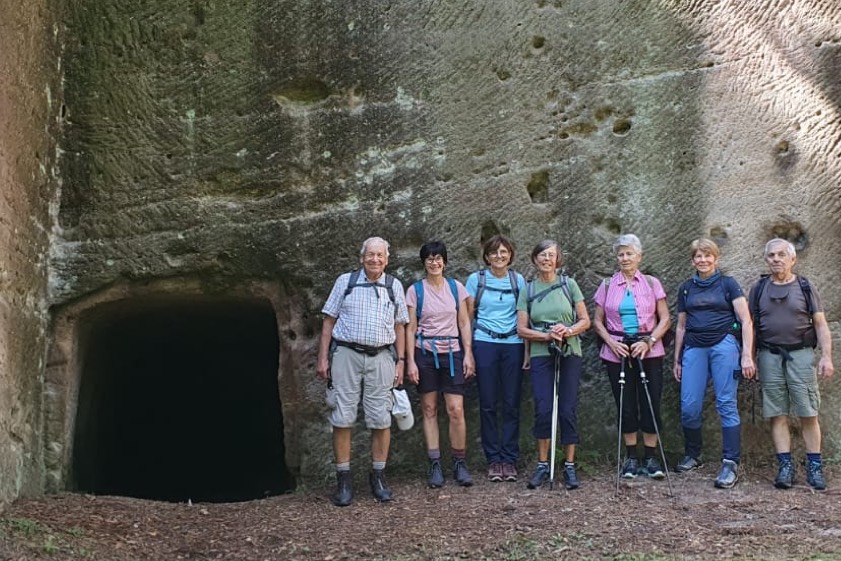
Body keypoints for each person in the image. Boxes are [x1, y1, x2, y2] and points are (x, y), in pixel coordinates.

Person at [316, 237, 409, 506]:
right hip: (346, 354)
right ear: (361, 258)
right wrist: (323, 358)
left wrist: (401, 361)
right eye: (370, 254)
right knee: (342, 416)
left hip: (382, 356)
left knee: (381, 418)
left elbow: (400, 325)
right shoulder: (345, 282)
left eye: (380, 255)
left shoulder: (393, 286)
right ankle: (344, 480)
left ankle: (378, 477)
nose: (375, 259)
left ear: (387, 260)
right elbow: (329, 321)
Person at [749, 238, 834, 490]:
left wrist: (826, 356)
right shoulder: (759, 288)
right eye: (771, 255)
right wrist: (749, 356)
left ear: (792, 258)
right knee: (777, 413)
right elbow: (750, 326)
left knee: (808, 411)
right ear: (766, 259)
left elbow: (820, 324)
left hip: (801, 355)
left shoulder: (805, 287)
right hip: (769, 356)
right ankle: (785, 466)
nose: (776, 259)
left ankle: (814, 466)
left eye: (781, 255)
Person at [673, 238, 756, 489]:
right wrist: (677, 359)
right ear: (692, 261)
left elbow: (746, 320)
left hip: (724, 345)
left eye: (707, 255)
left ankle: (730, 462)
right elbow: (681, 326)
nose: (703, 260)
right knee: (689, 406)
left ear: (716, 259)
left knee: (726, 402)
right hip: (694, 347)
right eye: (698, 256)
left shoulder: (728, 284)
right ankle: (693, 454)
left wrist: (747, 355)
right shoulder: (686, 288)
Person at [592, 234, 671, 480]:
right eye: (621, 254)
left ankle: (651, 457)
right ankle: (631, 457)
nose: (625, 258)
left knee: (650, 402)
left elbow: (665, 319)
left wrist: (649, 341)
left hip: (649, 350)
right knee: (625, 404)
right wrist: (611, 342)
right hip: (617, 351)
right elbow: (597, 321)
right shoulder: (607, 285)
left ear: (639, 256)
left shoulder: (651, 283)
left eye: (629, 254)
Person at [517, 240, 591, 490]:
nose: (546, 259)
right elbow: (521, 329)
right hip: (541, 352)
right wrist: (546, 336)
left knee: (567, 409)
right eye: (542, 255)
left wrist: (567, 330)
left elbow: (585, 320)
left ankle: (569, 465)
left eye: (551, 255)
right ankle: (542, 464)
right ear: (534, 259)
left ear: (558, 259)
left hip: (569, 350)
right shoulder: (528, 290)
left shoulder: (569, 285)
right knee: (543, 408)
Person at [406, 241, 476, 488]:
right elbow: (410, 328)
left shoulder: (456, 288)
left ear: (445, 262)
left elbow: (464, 322)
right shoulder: (415, 291)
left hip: (452, 352)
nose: (434, 263)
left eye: (438, 258)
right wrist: (410, 361)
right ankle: (435, 463)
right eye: (430, 259)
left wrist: (468, 354)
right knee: (429, 408)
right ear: (424, 263)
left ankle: (459, 462)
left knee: (456, 409)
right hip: (425, 352)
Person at [465, 235, 527, 483]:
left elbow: (524, 317)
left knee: (512, 402)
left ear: (510, 255)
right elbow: (467, 317)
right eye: (494, 252)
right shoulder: (476, 280)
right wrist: (468, 351)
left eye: (503, 252)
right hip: (485, 342)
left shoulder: (518, 280)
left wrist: (527, 352)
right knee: (488, 403)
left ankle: (509, 459)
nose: (499, 256)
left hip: (513, 344)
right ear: (486, 256)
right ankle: (493, 459)